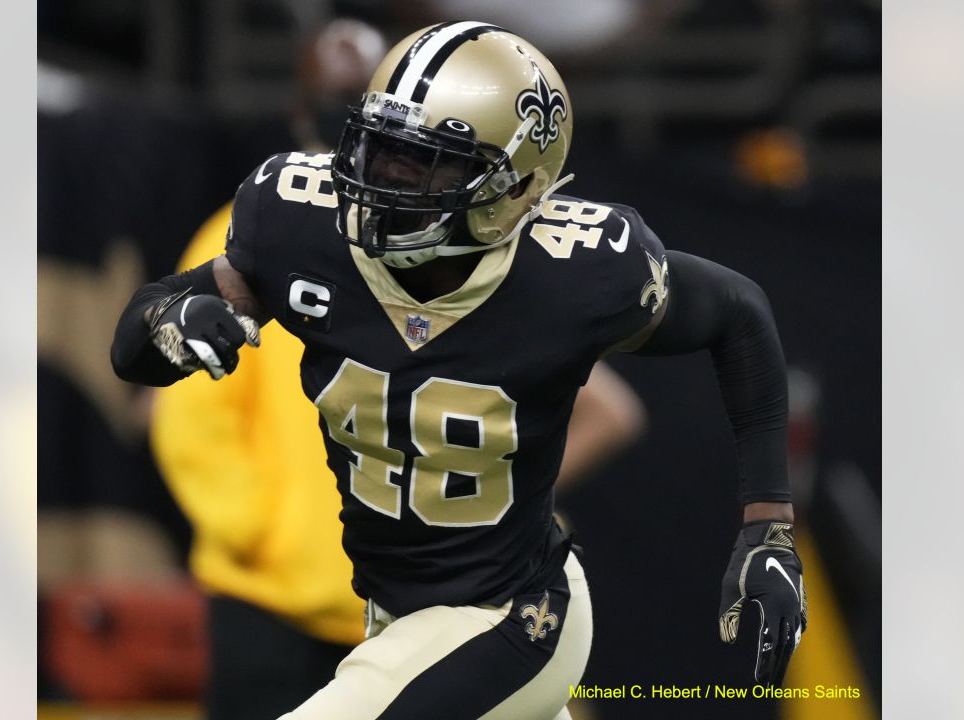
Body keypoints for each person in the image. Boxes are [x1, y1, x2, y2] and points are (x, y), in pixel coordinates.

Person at [112, 21, 807, 719]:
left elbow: (737, 313)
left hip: (514, 614)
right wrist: (170, 322)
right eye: (380, 148)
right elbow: (135, 341)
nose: (384, 178)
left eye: (425, 162)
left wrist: (767, 526)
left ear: (517, 185)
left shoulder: (578, 272)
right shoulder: (298, 226)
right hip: (392, 614)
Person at [153, 201, 645, 720]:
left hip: (462, 601)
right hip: (284, 603)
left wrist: (481, 505)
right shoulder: (273, 229)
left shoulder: (480, 251)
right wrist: (262, 531)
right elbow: (191, 413)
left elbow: (610, 410)